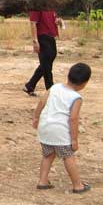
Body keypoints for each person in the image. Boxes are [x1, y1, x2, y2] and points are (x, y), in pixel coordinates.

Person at [32, 62, 91, 193]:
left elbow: (42, 101)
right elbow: (73, 119)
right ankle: (78, 185)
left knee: (48, 155)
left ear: (68, 75)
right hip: (60, 131)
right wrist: (74, 140)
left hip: (45, 127)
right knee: (68, 157)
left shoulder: (55, 87)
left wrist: (36, 117)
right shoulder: (76, 98)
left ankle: (42, 181)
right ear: (84, 83)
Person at [23, 10, 63, 96]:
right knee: (46, 65)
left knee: (46, 63)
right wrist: (35, 41)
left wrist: (58, 22)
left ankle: (30, 85)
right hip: (42, 37)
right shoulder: (36, 7)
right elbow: (33, 23)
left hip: (51, 37)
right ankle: (50, 90)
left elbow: (53, 20)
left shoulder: (50, 6)